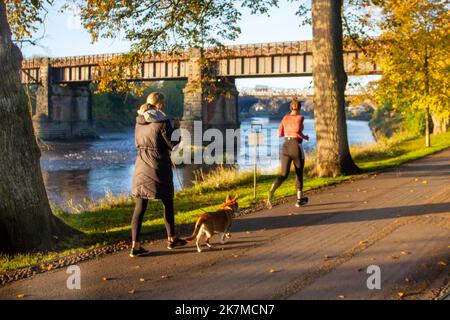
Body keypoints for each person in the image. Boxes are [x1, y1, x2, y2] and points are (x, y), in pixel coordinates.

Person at [130, 92, 187, 257]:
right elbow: (173, 145)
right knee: (167, 202)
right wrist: (177, 129)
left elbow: (137, 143)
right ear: (160, 104)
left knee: (140, 207)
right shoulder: (163, 122)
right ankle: (171, 239)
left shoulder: (138, 122)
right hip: (158, 167)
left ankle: (135, 246)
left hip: (140, 167)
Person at [267, 98, 309, 209]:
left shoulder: (285, 118)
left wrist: (288, 130)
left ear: (290, 108)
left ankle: (272, 190)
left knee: (283, 174)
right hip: (296, 146)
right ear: (299, 108)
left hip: (285, 146)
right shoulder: (300, 117)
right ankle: (299, 200)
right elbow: (297, 131)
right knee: (298, 173)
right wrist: (305, 137)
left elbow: (279, 133)